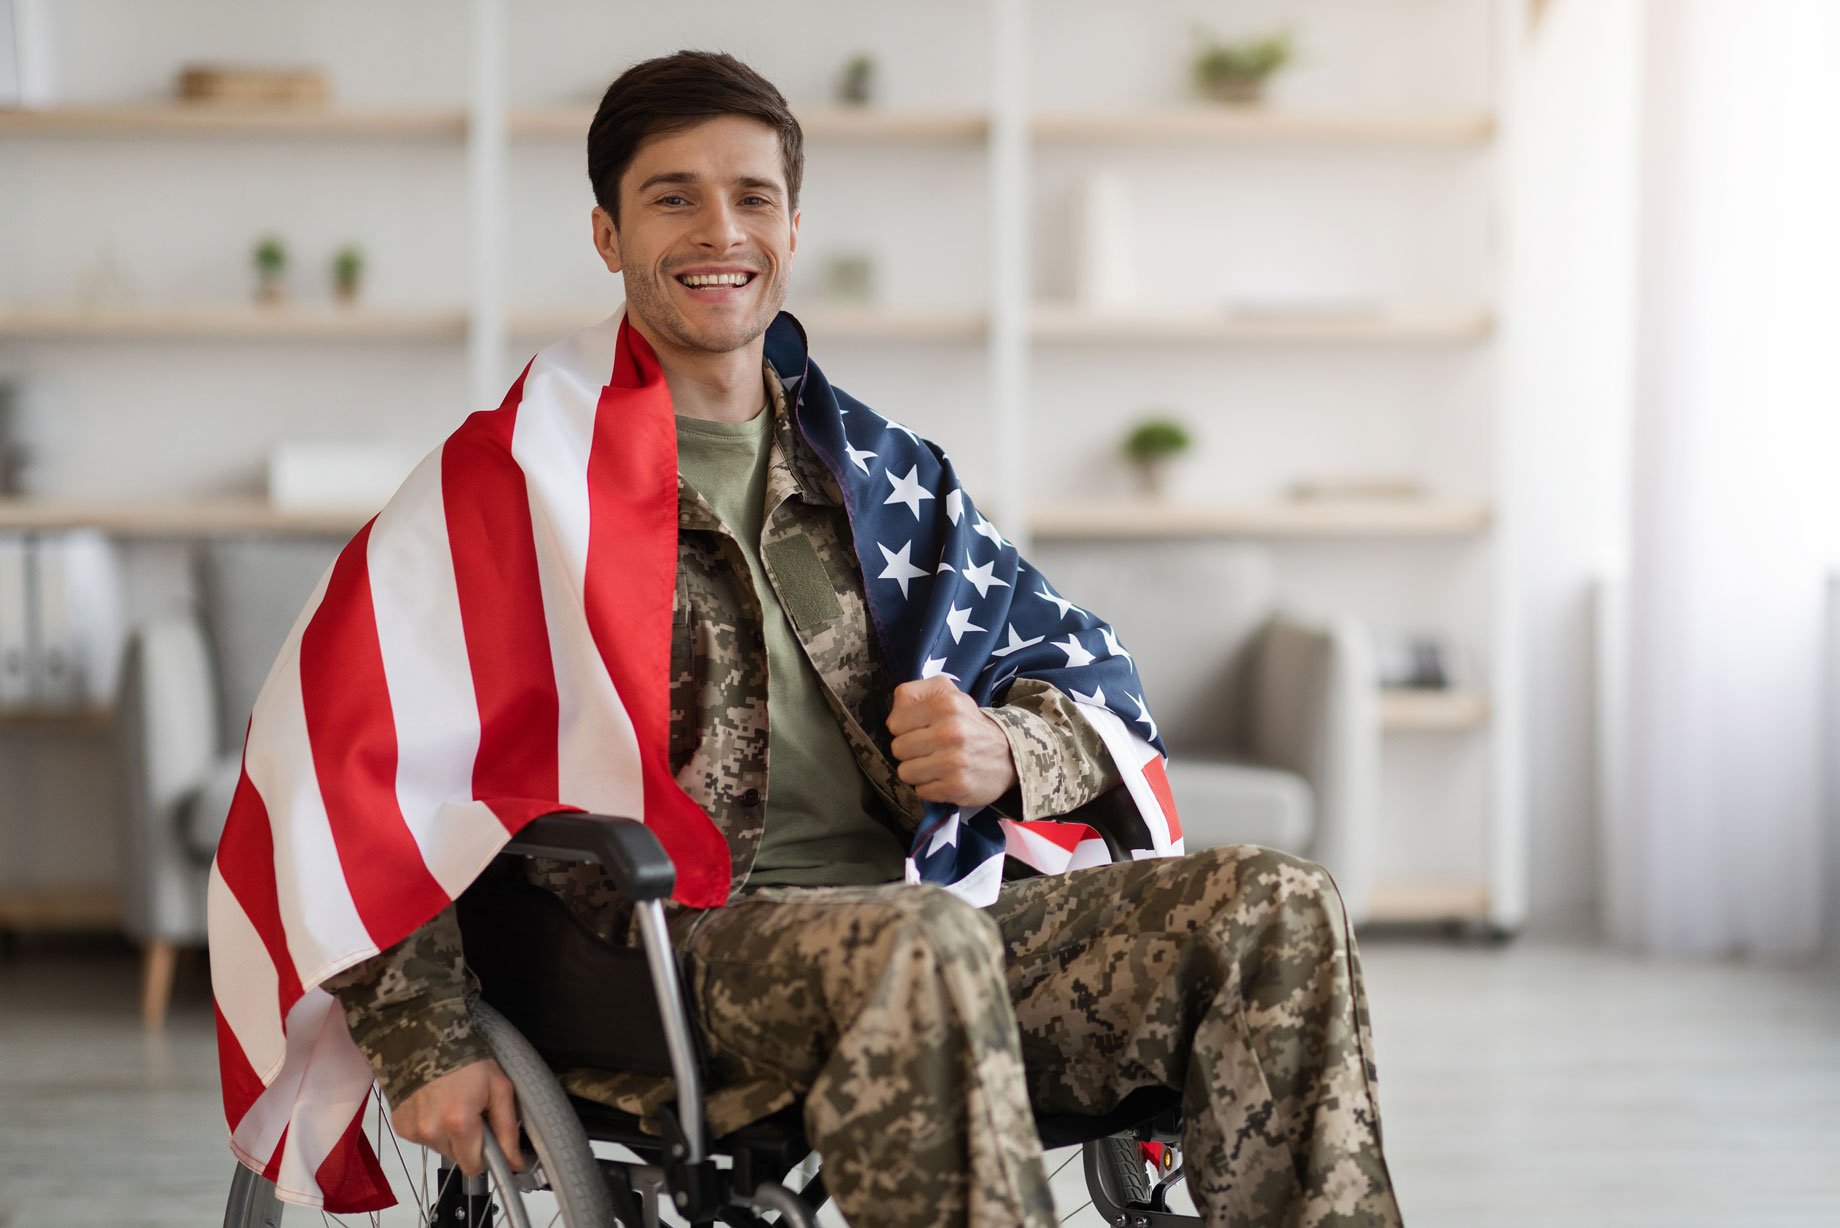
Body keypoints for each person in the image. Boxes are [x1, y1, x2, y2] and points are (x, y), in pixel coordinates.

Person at [317, 50, 1402, 1228]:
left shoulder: (886, 475)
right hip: (655, 954)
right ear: (606, 234)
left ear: (792, 226)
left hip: (916, 907)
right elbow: (366, 769)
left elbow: (1083, 669)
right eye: (671, 196)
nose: (716, 229)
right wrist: (422, 1042)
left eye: (752, 196)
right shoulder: (510, 484)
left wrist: (1004, 750)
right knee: (917, 941)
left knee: (1274, 903)